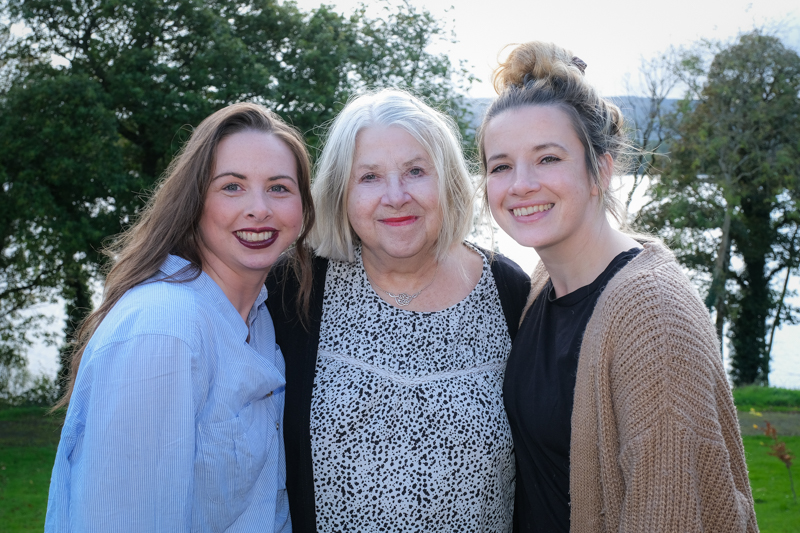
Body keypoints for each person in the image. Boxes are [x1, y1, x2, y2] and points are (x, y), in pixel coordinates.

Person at [478, 41, 758, 533]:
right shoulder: (545, 285)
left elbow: (675, 514)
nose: (520, 184)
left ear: (600, 171)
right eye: (501, 165)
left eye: (547, 158)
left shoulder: (653, 318)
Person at [266, 88, 529, 533]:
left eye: (415, 171)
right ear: (340, 192)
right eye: (369, 177)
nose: (395, 196)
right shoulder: (295, 288)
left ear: (447, 179)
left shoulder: (508, 290)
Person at [45, 102, 315, 532]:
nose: (259, 208)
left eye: (279, 188)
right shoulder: (164, 329)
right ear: (195, 200)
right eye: (232, 187)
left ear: (303, 208)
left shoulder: (261, 321)